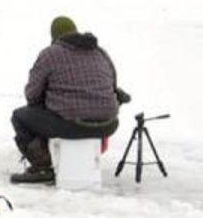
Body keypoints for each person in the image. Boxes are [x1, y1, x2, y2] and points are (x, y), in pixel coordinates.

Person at [10, 16, 125, 184]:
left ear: (54, 35)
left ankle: (42, 166)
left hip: (71, 125)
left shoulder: (50, 54)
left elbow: (32, 95)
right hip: (107, 124)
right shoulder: (100, 52)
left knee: (20, 116)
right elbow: (113, 86)